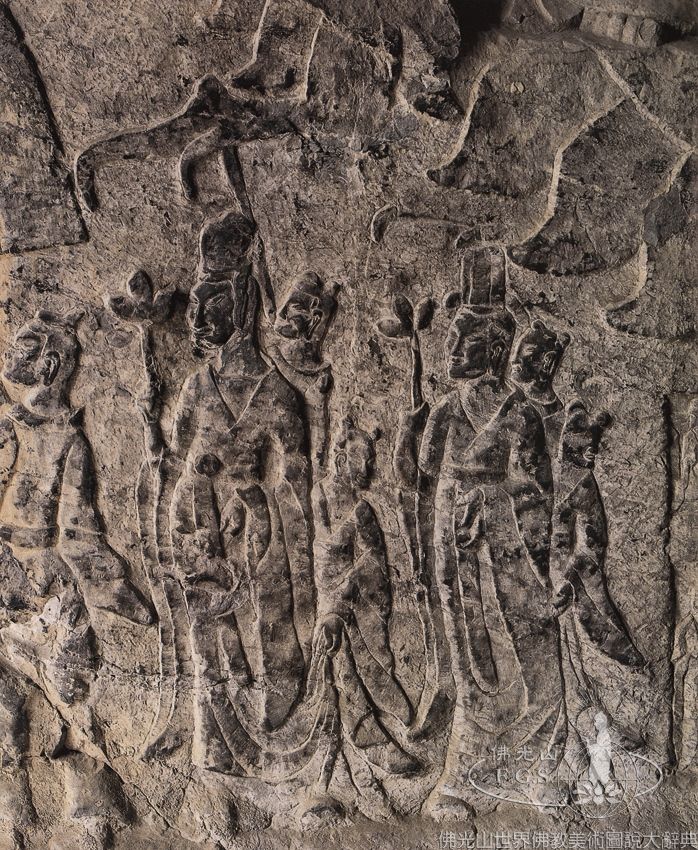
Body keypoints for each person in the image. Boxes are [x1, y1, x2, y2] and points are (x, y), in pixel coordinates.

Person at [416, 248, 565, 816]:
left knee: (531, 651)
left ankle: (539, 764)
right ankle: (465, 772)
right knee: (472, 659)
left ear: (496, 350)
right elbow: (423, 478)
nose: (451, 350)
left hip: (511, 550)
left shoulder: (520, 414)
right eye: (452, 338)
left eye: (463, 341)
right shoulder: (445, 412)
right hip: (458, 549)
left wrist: (531, 555)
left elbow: (536, 495)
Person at [165, 211, 314, 771]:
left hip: (260, 538)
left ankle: (276, 748)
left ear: (243, 304)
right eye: (196, 303)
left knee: (271, 632)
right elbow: (179, 463)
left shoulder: (277, 393)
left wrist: (258, 502)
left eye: (212, 303)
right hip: (204, 533)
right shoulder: (195, 388)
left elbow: (297, 483)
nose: (197, 316)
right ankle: (219, 752)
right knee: (211, 639)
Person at [0, 310, 151, 849]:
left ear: (48, 365)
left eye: (22, 350)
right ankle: (20, 814)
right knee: (16, 704)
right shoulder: (11, 427)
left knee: (70, 700)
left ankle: (89, 816)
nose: (11, 358)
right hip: (17, 582)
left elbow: (79, 531)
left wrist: (116, 588)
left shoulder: (67, 439)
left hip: (45, 588)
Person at [304, 417, 419, 823]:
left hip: (353, 609)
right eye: (363, 458)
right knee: (336, 681)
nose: (369, 466)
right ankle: (348, 766)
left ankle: (367, 758)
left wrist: (343, 599)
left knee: (356, 670)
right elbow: (319, 555)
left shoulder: (362, 509)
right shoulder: (320, 498)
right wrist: (331, 607)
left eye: (371, 459)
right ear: (340, 460)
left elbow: (374, 565)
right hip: (328, 606)